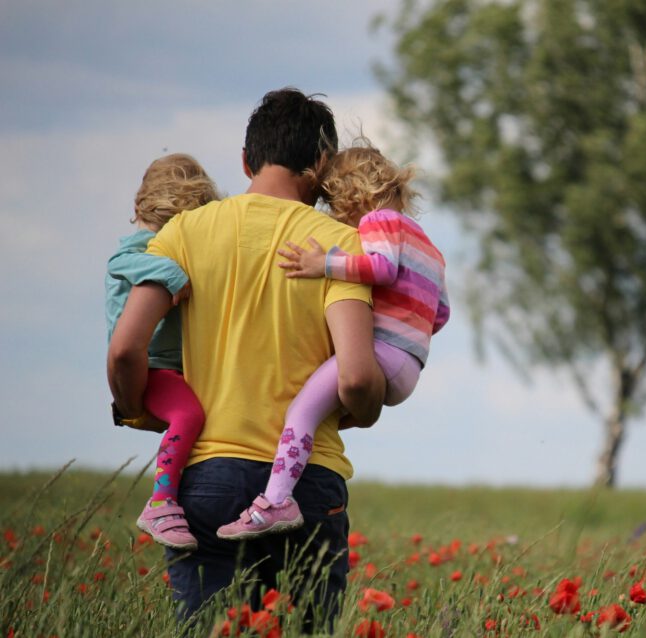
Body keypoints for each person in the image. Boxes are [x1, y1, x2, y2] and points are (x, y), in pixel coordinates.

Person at [107, 88, 386, 625]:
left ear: (245, 160)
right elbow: (355, 378)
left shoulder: (182, 233)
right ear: (322, 165)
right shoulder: (340, 245)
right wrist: (366, 409)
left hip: (206, 476)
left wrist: (138, 407)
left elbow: (124, 349)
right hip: (307, 483)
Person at [217, 140, 450, 540]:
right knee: (321, 412)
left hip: (381, 353)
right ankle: (288, 481)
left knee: (301, 412)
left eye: (334, 202)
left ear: (353, 193)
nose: (334, 214)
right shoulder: (429, 246)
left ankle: (275, 501)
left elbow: (381, 268)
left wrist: (322, 264)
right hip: (410, 365)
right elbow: (441, 313)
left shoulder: (380, 222)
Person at [105, 153, 217, 551]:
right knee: (189, 414)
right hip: (151, 367)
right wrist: (172, 274)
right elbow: (121, 261)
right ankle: (161, 502)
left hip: (171, 367)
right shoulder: (141, 247)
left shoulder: (161, 243)